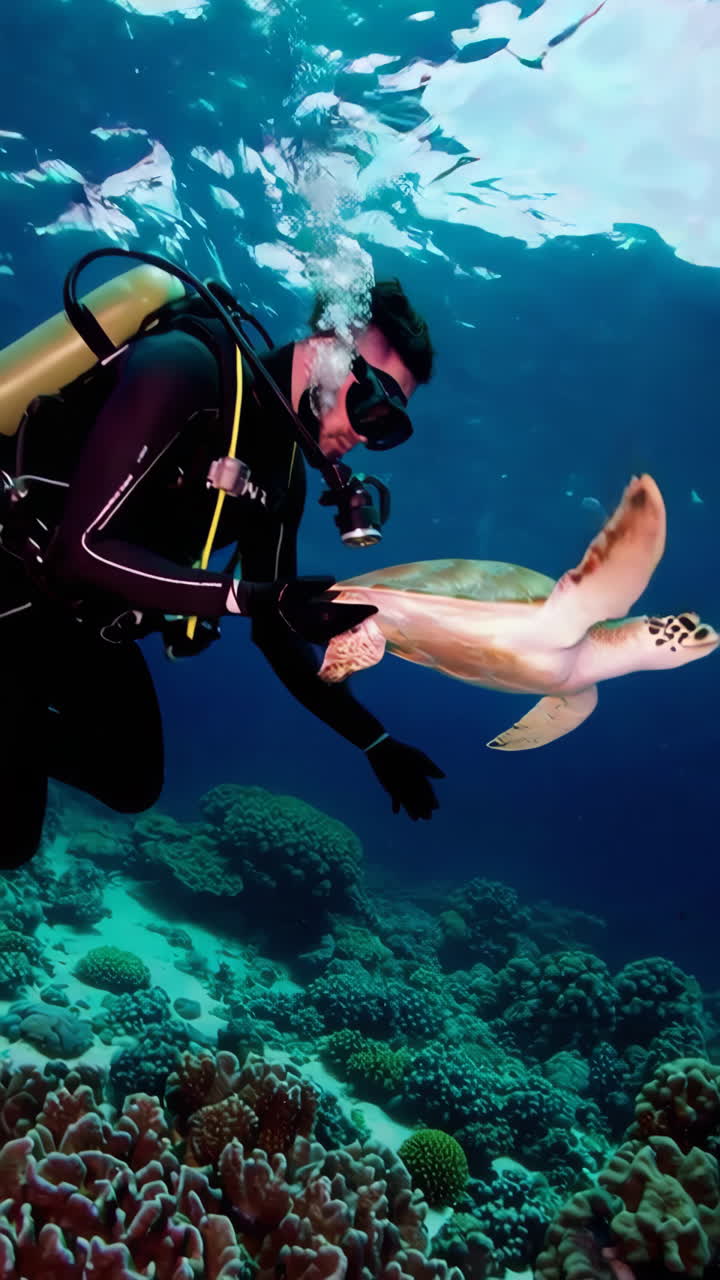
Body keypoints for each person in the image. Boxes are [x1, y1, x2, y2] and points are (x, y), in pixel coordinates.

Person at [0, 268, 445, 869]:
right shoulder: (185, 366)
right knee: (12, 839)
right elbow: (81, 550)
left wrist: (375, 740)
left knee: (132, 780)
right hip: (11, 588)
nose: (367, 436)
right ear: (326, 351)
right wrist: (255, 595)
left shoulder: (283, 473)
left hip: (75, 625)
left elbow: (276, 635)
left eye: (389, 427)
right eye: (376, 405)